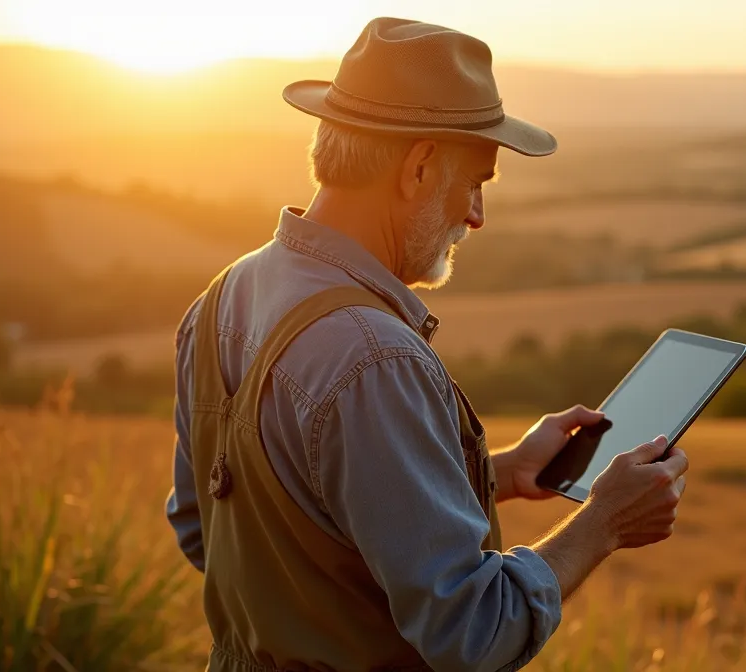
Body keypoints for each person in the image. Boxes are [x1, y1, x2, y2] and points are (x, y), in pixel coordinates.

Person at [165, 17, 688, 672]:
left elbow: (208, 530)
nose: (476, 215)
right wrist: (602, 523)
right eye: (475, 182)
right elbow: (475, 631)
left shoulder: (222, 297)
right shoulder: (375, 358)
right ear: (417, 168)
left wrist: (498, 473)